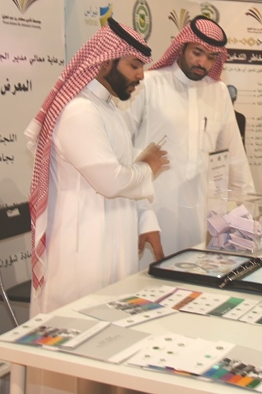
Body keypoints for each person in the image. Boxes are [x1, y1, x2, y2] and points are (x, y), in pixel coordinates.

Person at [25, 17, 169, 313]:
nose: (141, 75)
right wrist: (148, 166)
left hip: (113, 243)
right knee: (77, 328)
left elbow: (124, 169)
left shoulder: (108, 109)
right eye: (134, 65)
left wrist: (146, 220)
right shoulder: (79, 111)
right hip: (84, 252)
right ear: (105, 63)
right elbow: (111, 181)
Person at [129, 15, 255, 254]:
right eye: (197, 52)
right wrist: (140, 213)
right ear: (182, 47)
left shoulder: (218, 92)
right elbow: (125, 149)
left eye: (211, 57)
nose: (202, 62)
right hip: (153, 208)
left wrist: (247, 208)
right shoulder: (149, 84)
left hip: (201, 213)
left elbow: (234, 155)